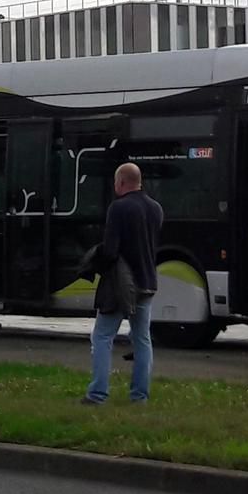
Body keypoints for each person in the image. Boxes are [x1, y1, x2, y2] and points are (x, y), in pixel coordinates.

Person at [80, 162, 163, 405]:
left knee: (102, 337)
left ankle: (97, 394)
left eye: (116, 182)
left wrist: (94, 260)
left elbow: (111, 251)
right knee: (142, 339)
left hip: (120, 284)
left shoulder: (118, 208)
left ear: (122, 183)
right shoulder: (156, 208)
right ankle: (139, 396)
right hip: (147, 281)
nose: (115, 186)